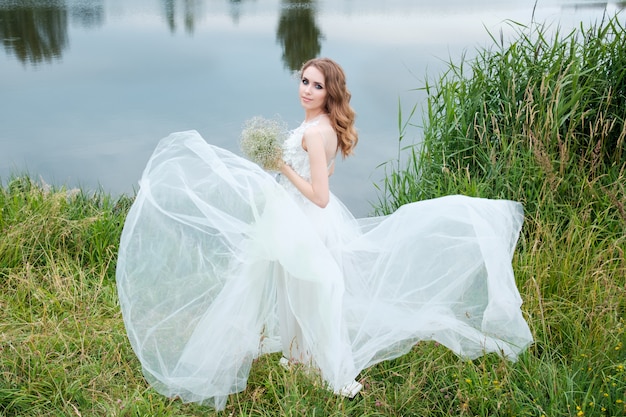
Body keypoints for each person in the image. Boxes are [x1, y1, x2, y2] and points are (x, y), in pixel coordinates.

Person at [116, 58, 533, 411]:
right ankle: (299, 355)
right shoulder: (323, 128)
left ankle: (333, 372)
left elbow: (319, 195)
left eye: (317, 86)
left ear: (330, 93)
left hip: (307, 218)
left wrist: (281, 167)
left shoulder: (316, 133)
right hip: (294, 216)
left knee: (313, 290)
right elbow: (327, 171)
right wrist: (286, 170)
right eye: (304, 81)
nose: (307, 90)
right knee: (293, 286)